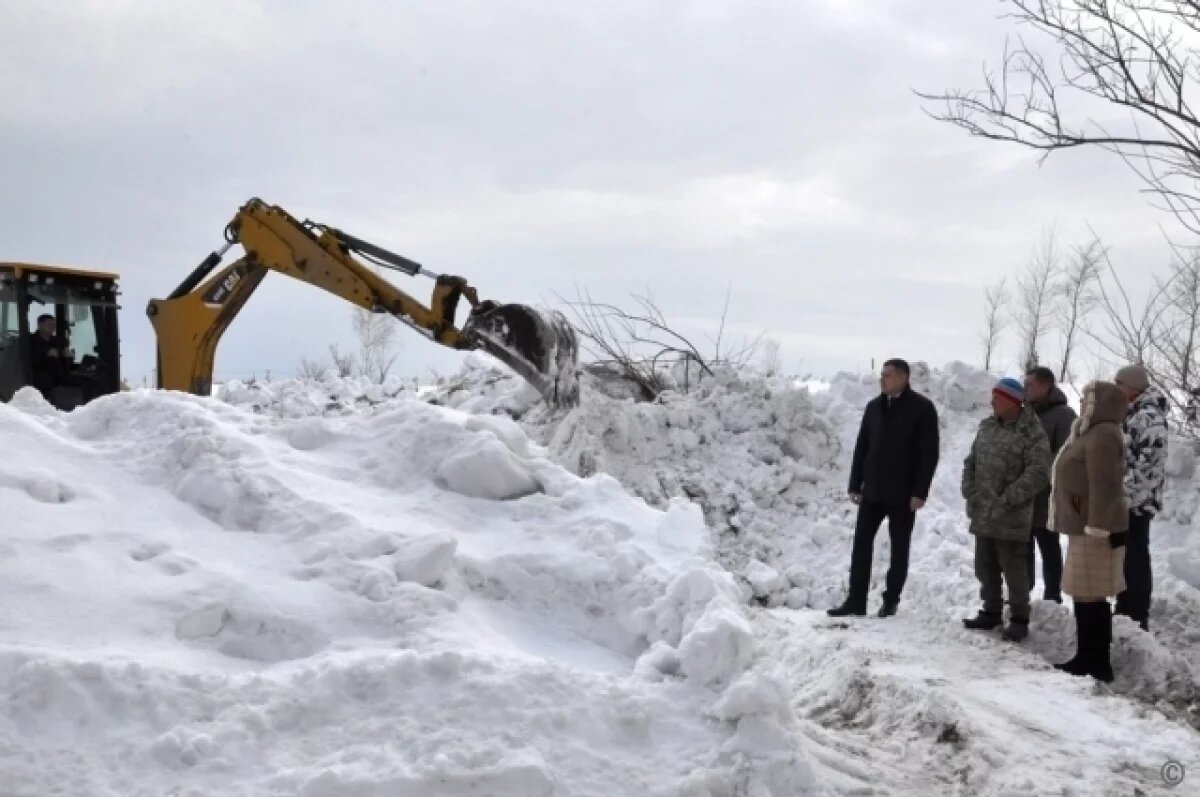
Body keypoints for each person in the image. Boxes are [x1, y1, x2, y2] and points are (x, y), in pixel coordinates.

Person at [829, 358, 940, 618]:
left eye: (887, 376)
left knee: (899, 548)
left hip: (903, 495)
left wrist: (920, 492)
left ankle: (890, 600)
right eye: (882, 375)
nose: (882, 380)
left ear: (903, 378)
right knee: (861, 545)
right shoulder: (874, 408)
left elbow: (929, 454)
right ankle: (856, 601)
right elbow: (862, 447)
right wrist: (855, 483)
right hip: (873, 491)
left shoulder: (922, 409)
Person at [1049, 380, 1130, 682]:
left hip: (1097, 529)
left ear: (1102, 403)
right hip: (1085, 526)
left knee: (1092, 594)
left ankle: (1096, 661)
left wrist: (1097, 525)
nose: (1082, 402)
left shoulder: (1104, 435)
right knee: (1085, 593)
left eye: (1087, 398)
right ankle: (1089, 657)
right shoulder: (1091, 432)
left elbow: (1105, 485)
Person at [961, 377, 1051, 642]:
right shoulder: (987, 426)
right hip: (983, 511)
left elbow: (1039, 472)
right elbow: (971, 461)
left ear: (1013, 401)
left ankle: (1019, 618)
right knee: (984, 566)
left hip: (1011, 515)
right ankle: (990, 611)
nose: (992, 402)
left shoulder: (1032, 432)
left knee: (1014, 570)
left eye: (997, 398)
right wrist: (970, 489)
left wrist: (1010, 497)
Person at [1112, 364, 1168, 632]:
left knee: (1135, 559)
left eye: (1118, 384)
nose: (1115, 388)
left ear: (1132, 387)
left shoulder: (1148, 418)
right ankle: (1124, 610)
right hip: (1126, 502)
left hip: (1136, 504)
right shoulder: (1132, 414)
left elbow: (1146, 470)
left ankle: (1136, 615)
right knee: (1124, 559)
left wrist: (1120, 496)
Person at [1023, 366, 1077, 603]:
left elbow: (1065, 456)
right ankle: (1021, 593)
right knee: (1022, 546)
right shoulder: (1026, 413)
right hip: (1022, 495)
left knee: (1048, 546)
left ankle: (1052, 597)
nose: (1025, 389)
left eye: (1030, 385)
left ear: (1046, 386)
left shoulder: (1064, 415)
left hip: (1047, 496)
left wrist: (1035, 476)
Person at [28, 313, 75, 399]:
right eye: (49, 324)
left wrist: (68, 356)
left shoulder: (58, 341)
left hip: (59, 376)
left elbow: (66, 364)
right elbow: (28, 361)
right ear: (40, 325)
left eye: (54, 325)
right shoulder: (30, 341)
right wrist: (46, 355)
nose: (52, 327)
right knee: (45, 383)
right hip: (38, 377)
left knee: (87, 381)